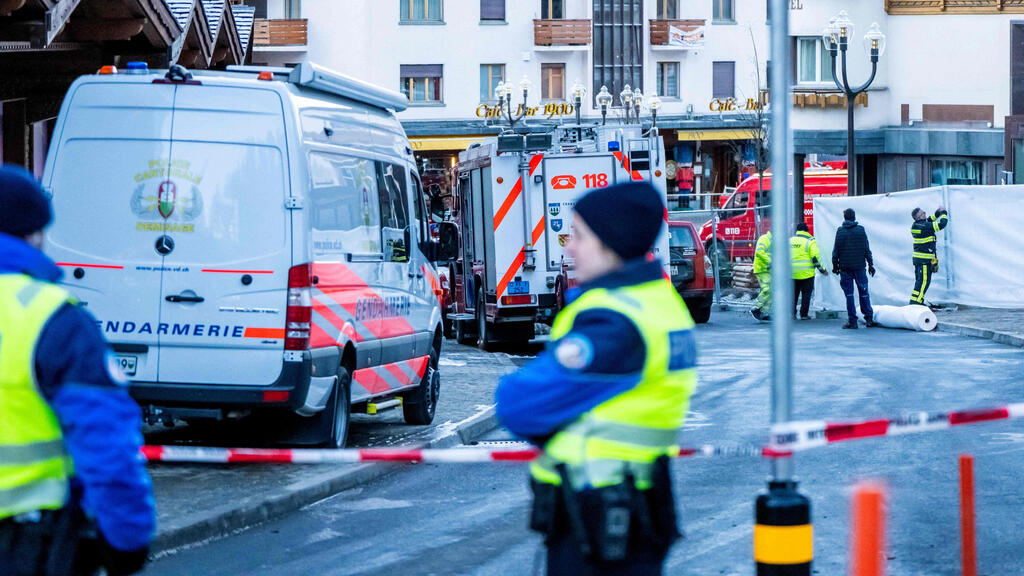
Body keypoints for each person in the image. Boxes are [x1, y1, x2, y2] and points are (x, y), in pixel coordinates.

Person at [496, 181, 697, 576]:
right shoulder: (659, 303)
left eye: (579, 235)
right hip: (634, 507)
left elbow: (518, 404)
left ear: (610, 243)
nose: (569, 247)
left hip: (598, 520)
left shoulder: (613, 322)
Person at [0, 165, 155, 576]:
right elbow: (105, 442)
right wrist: (126, 538)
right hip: (25, 544)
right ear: (35, 234)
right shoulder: (51, 318)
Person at [831, 208, 877, 329]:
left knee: (849, 295)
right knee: (864, 293)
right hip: (860, 267)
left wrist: (835, 266)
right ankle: (869, 319)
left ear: (845, 217)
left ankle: (853, 321)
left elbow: (836, 251)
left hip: (845, 268)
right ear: (854, 217)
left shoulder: (840, 231)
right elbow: (866, 249)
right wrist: (871, 265)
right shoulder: (861, 230)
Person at [910, 206, 949, 306]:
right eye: (923, 213)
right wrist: (944, 212)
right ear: (919, 217)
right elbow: (942, 224)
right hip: (924, 261)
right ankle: (915, 304)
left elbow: (929, 220)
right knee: (923, 282)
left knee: (920, 282)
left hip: (920, 260)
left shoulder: (916, 225)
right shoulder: (925, 226)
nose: (925, 213)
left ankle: (917, 301)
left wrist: (937, 212)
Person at [790, 222, 828, 320]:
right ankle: (804, 314)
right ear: (807, 231)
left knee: (793, 295)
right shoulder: (810, 241)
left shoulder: (790, 241)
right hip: (807, 274)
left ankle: (792, 314)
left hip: (792, 273)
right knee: (806, 294)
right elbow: (815, 258)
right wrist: (822, 270)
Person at [751, 230, 772, 321]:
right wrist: (771, 261)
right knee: (767, 289)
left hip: (768, 269)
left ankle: (764, 312)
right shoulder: (764, 239)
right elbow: (759, 253)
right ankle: (755, 307)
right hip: (762, 269)